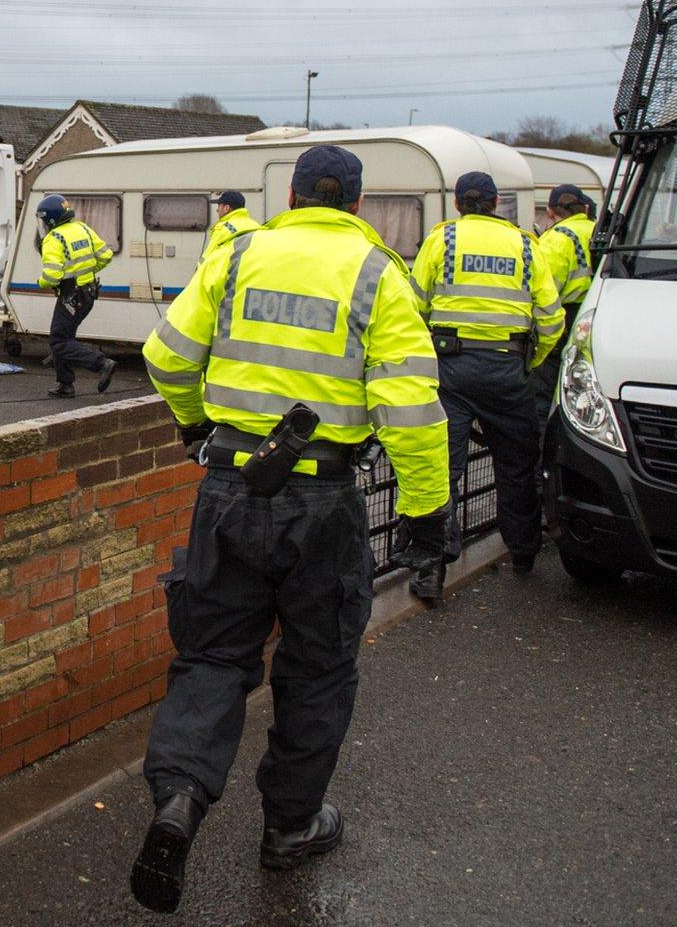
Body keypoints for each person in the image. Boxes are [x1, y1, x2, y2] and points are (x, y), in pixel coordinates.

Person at [131, 146, 448, 913]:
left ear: (295, 195)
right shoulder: (379, 275)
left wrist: (193, 426)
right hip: (322, 503)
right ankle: (290, 828)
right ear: (358, 205)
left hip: (229, 492)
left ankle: (179, 799)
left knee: (211, 656)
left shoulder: (238, 257)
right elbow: (410, 411)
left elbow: (164, 355)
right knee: (316, 670)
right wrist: (426, 514)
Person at [401, 171, 562, 594]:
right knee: (516, 467)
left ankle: (431, 570)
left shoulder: (442, 239)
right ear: (496, 204)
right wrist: (531, 363)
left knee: (442, 472)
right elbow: (551, 318)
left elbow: (414, 304)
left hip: (450, 371)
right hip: (508, 371)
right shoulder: (528, 245)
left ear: (458, 203)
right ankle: (523, 553)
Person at [36, 193, 118, 398]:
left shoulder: (53, 239)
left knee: (58, 341)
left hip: (70, 295)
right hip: (89, 293)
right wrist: (88, 272)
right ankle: (65, 385)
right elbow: (106, 256)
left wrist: (41, 282)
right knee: (64, 337)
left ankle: (101, 363)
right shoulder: (83, 228)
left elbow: (52, 276)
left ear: (51, 218)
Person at [532, 184, 597, 427]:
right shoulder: (598, 231)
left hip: (564, 318)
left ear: (550, 212)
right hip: (594, 315)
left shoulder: (555, 239)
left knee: (546, 390)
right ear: (584, 207)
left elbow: (545, 291)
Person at [202, 190, 261, 260]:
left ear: (226, 208)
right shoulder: (256, 226)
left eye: (219, 206)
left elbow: (208, 258)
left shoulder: (224, 229)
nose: (217, 210)